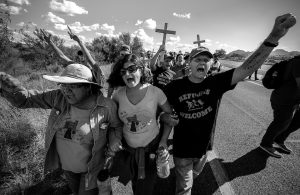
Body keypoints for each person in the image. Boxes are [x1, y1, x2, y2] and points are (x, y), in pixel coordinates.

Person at [163, 13, 296, 194]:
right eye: (197, 59)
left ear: (210, 65)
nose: (202, 62)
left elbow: (246, 68)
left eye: (205, 60)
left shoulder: (215, 82)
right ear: (189, 63)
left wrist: (274, 37)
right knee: (184, 188)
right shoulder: (174, 87)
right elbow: (158, 109)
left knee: (194, 175)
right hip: (182, 150)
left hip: (204, 149)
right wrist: (165, 117)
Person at [0, 64, 123, 195]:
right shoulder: (58, 97)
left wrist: (115, 140)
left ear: (88, 87)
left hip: (92, 170)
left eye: (73, 86)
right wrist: (8, 84)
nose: (66, 90)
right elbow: (25, 100)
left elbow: (116, 126)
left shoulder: (106, 107)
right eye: (63, 85)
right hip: (67, 168)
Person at [107, 54, 175, 195]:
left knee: (145, 188)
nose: (127, 74)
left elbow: (170, 117)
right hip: (128, 151)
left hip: (151, 150)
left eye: (132, 69)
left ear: (142, 70)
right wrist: (115, 138)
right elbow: (114, 123)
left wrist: (163, 141)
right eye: (123, 71)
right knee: (135, 184)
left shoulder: (156, 92)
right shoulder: (118, 95)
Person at [259, 55, 300, 158]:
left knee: (294, 122)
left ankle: (279, 140)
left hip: (292, 100)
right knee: (280, 122)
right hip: (283, 99)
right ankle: (266, 144)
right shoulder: (298, 62)